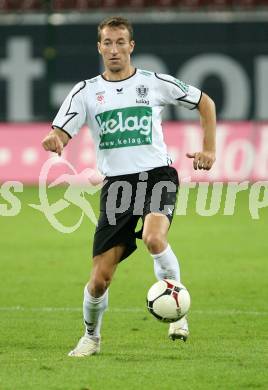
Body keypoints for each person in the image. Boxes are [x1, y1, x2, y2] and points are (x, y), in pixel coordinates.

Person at [42, 16, 216, 357]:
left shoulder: (153, 83)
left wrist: (210, 148)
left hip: (157, 175)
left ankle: (178, 315)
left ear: (131, 46)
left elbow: (205, 102)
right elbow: (61, 131)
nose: (114, 49)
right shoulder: (87, 91)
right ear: (99, 47)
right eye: (107, 42)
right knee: (99, 279)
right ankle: (91, 337)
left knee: (154, 238)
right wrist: (55, 139)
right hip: (117, 188)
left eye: (121, 42)